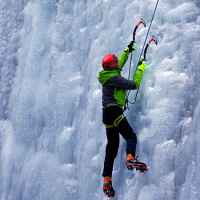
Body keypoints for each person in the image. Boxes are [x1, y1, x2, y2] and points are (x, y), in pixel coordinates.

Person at [97, 41, 148, 198]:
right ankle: (130, 158)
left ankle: (107, 181)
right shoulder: (114, 78)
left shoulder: (106, 75)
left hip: (107, 115)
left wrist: (128, 50)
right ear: (111, 66)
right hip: (114, 111)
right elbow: (133, 85)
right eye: (114, 63)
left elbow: (119, 64)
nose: (116, 64)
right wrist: (141, 67)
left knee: (112, 148)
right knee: (130, 135)